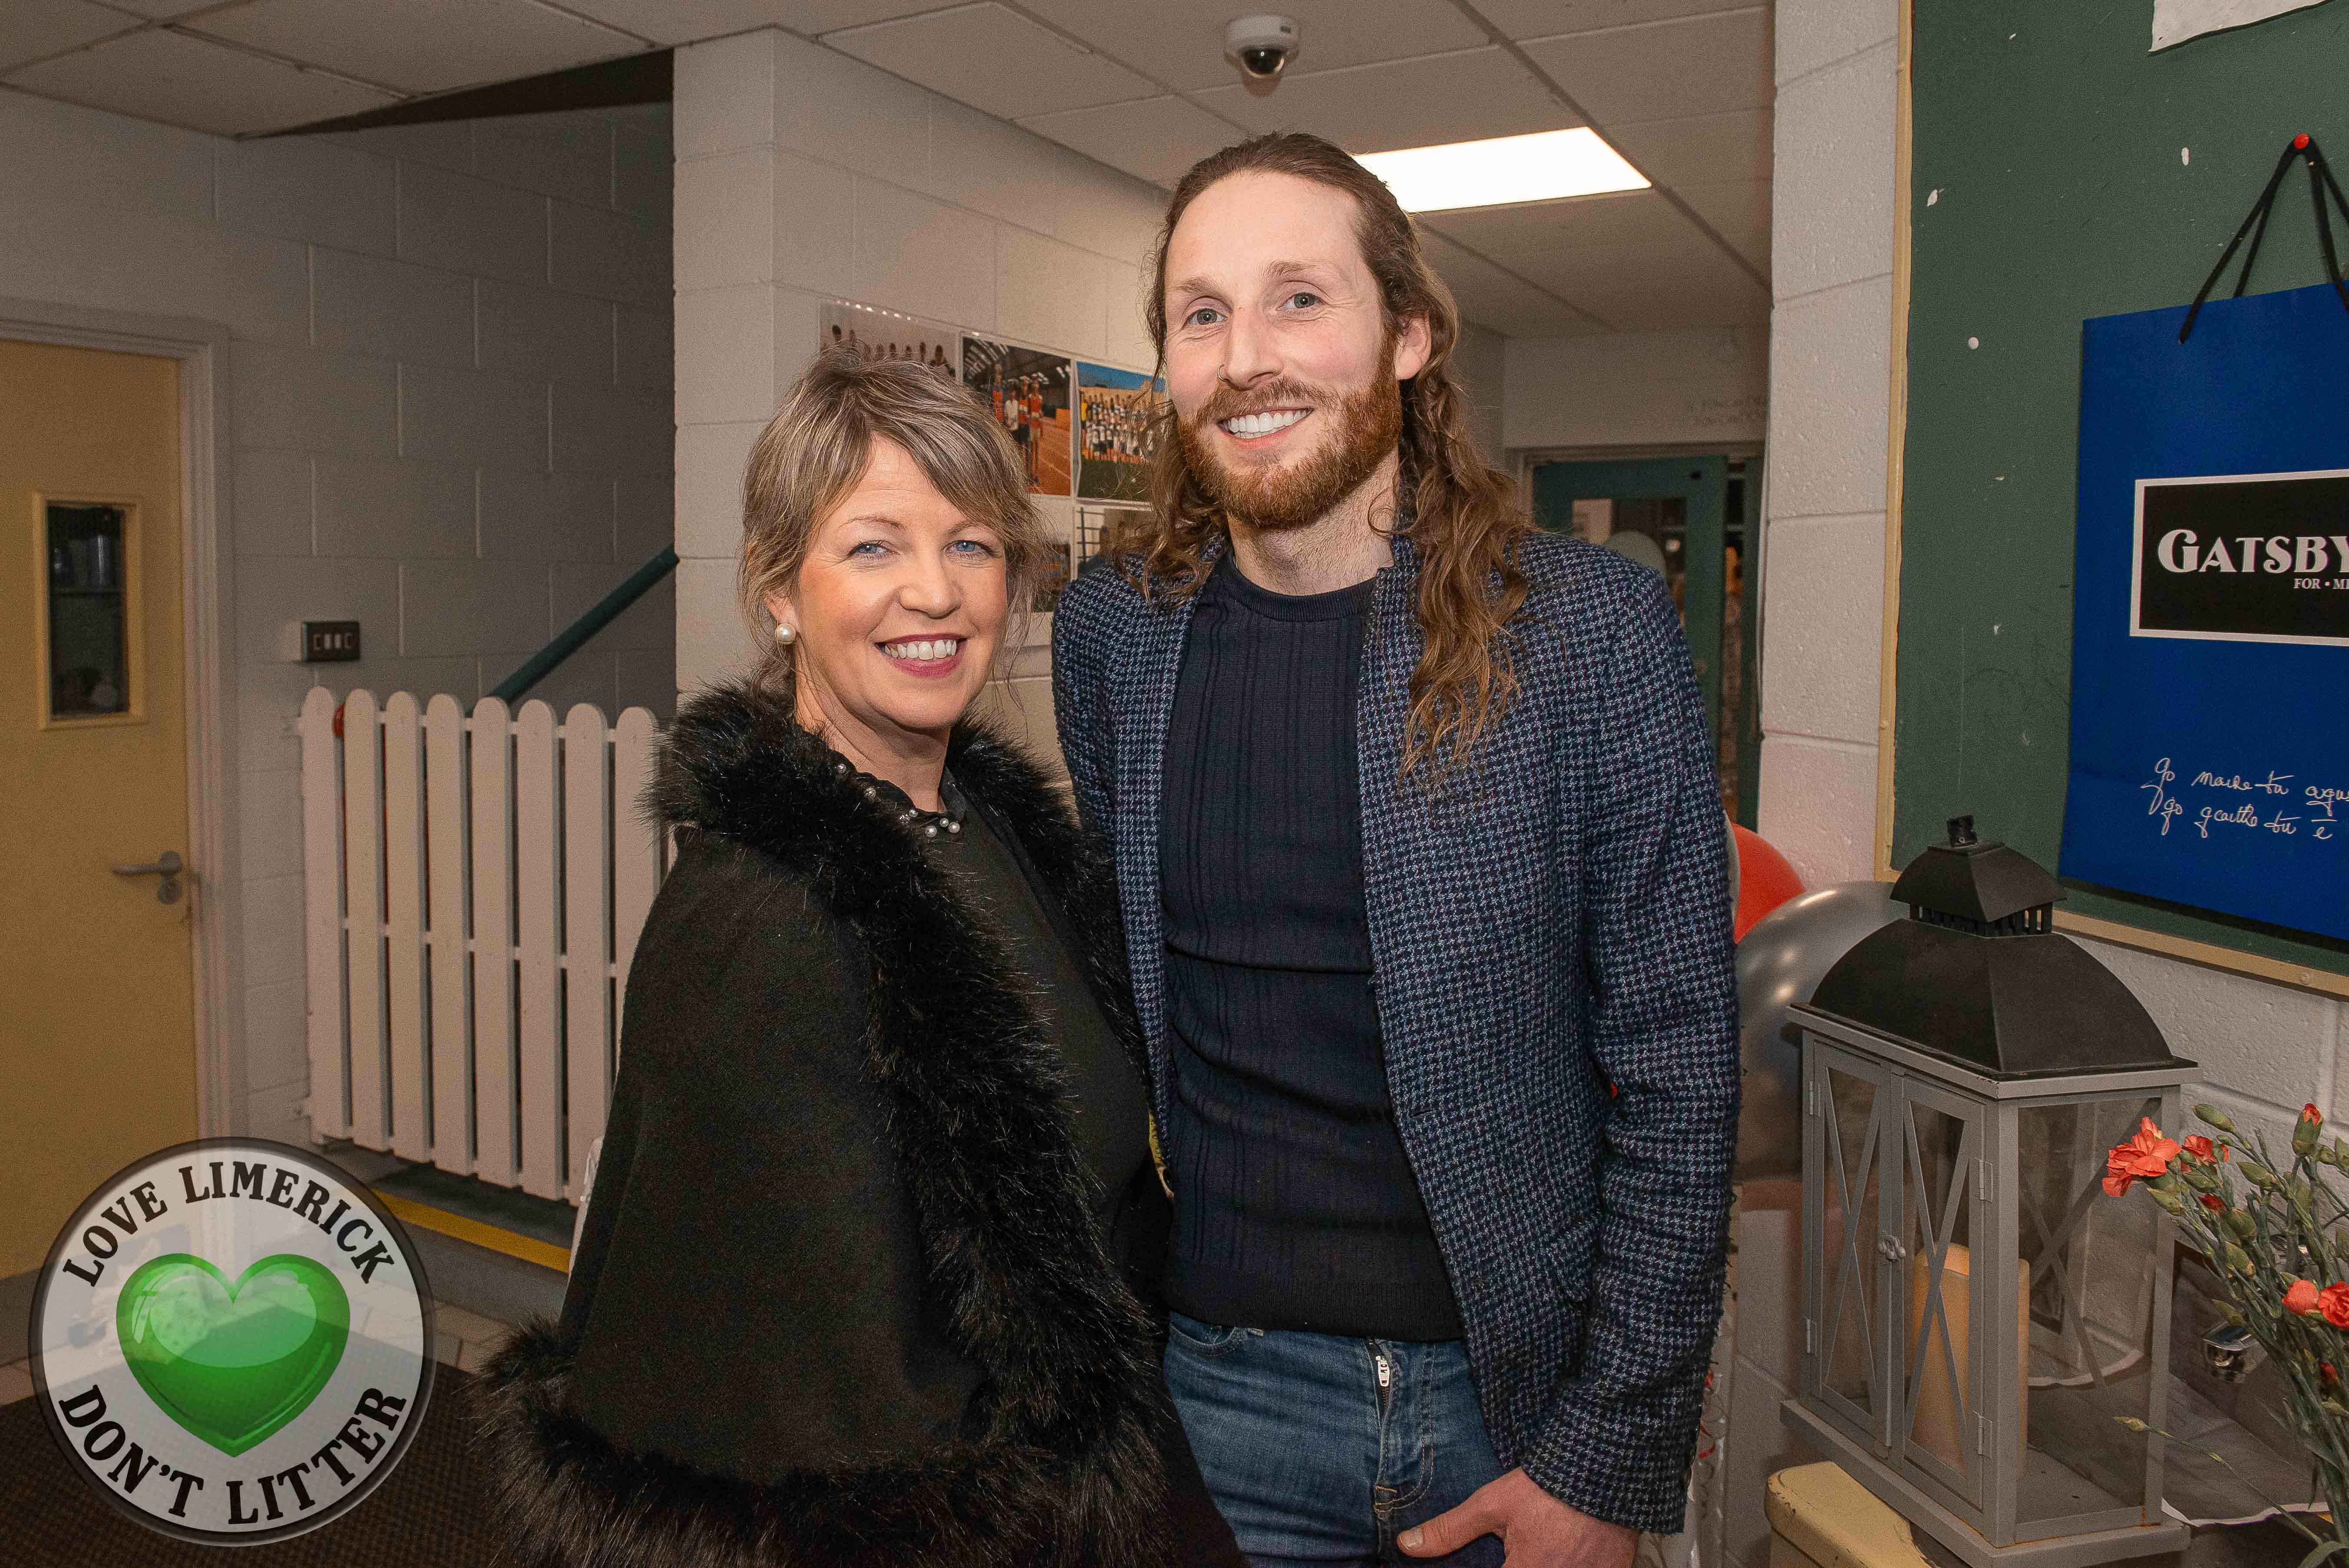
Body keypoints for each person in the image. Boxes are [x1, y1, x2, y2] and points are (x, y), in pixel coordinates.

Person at [1051, 132, 1740, 1567]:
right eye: (1201, 313)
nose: (1247, 356)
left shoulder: (1587, 632)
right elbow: (1116, 991)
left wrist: (1603, 1460)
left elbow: (1679, 1063)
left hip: (1515, 1402)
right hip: (1217, 1391)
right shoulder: (1116, 635)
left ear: (1410, 337)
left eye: (1299, 299)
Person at [478, 350, 1243, 1568]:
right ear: (779, 588)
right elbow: (779, 1416)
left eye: (971, 544)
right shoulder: (763, 916)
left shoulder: (981, 828)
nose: (934, 593)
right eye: (874, 546)